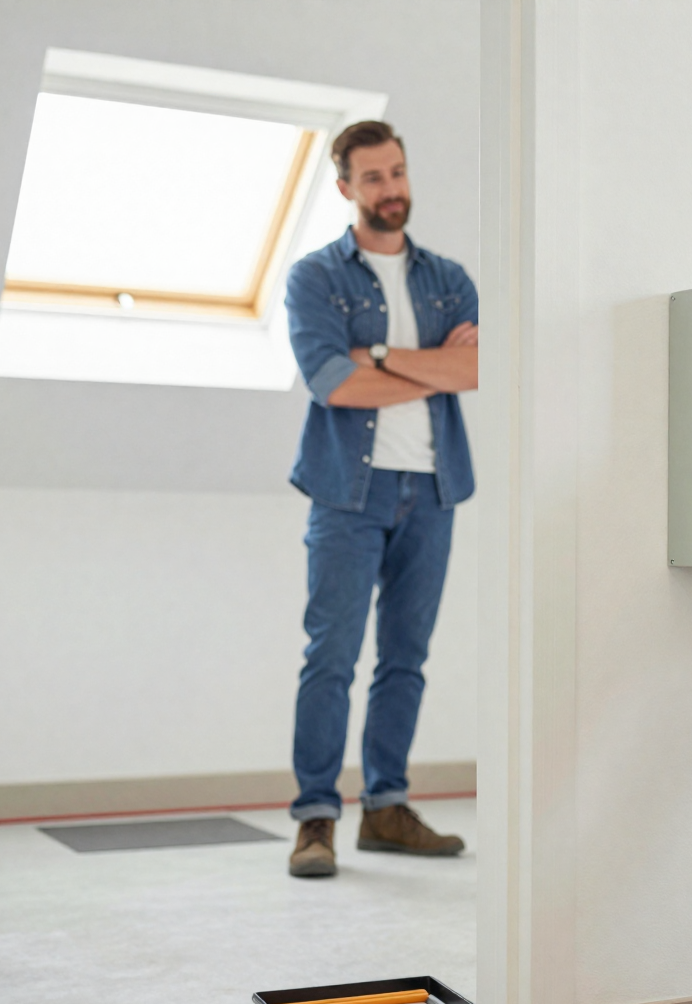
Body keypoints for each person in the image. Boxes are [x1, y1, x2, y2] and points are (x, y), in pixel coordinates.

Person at [281, 120, 477, 878]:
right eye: (373, 178)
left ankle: (387, 808)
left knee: (406, 658)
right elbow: (334, 383)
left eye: (397, 172)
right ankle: (316, 818)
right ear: (344, 188)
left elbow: (477, 371)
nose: (391, 188)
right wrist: (432, 365)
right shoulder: (313, 278)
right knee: (329, 655)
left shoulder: (448, 278)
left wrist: (387, 356)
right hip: (345, 490)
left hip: (432, 487)